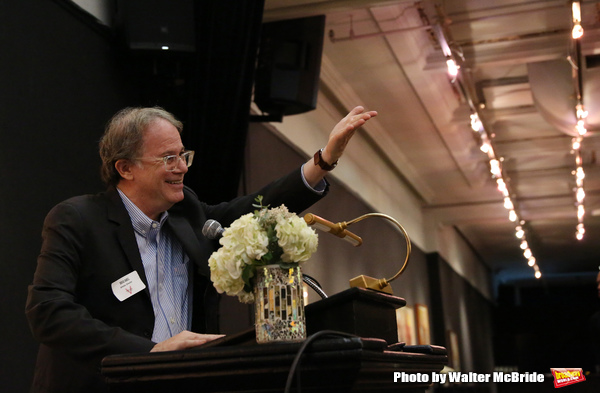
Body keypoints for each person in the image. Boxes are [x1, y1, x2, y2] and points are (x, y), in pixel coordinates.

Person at [25, 105, 377, 392]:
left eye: (183, 155)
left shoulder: (185, 213)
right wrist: (149, 352)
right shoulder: (77, 219)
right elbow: (48, 311)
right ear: (125, 168)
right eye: (168, 159)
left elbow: (252, 208)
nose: (182, 168)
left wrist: (323, 161)